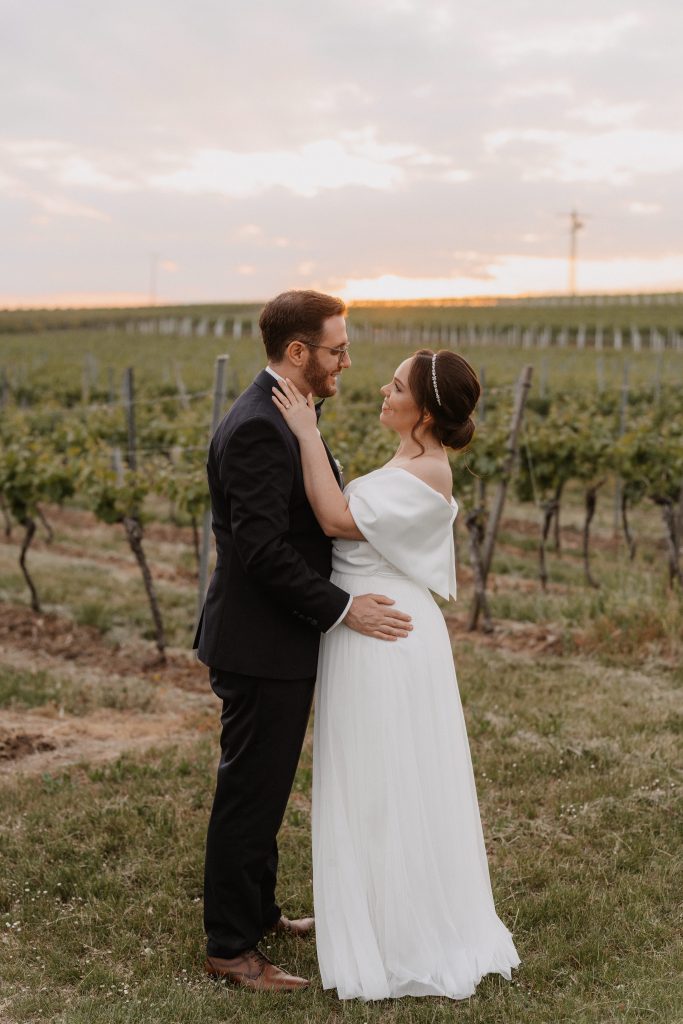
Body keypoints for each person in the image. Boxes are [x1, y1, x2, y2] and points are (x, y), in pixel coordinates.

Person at [271, 348, 521, 1000]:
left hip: (386, 634)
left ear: (427, 412)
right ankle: (371, 913)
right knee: (370, 775)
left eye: (398, 386)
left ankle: (400, 933)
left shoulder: (431, 470)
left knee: (387, 777)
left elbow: (336, 519)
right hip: (362, 626)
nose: (384, 390)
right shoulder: (409, 458)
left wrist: (306, 432)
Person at [193, 290, 413, 992]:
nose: (346, 361)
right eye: (336, 349)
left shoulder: (286, 412)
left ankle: (259, 913)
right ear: (298, 352)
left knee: (266, 785)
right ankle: (231, 949)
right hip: (260, 643)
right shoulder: (261, 426)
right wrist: (344, 609)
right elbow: (261, 550)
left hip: (275, 639)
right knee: (250, 793)